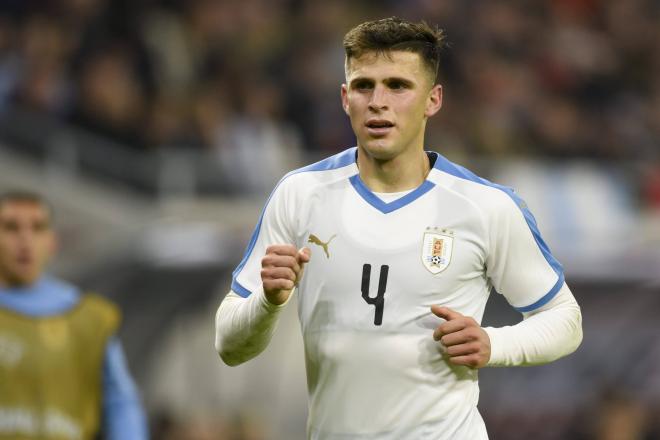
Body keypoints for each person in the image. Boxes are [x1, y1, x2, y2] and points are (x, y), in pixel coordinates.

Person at [214, 17, 583, 439]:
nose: (378, 102)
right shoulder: (300, 195)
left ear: (433, 99)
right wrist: (268, 300)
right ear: (344, 97)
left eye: (398, 86)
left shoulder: (485, 207)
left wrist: (495, 345)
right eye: (364, 86)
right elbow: (229, 345)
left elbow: (564, 319)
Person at [0, 191, 148, 440]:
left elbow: (121, 402)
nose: (25, 241)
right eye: (11, 228)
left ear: (52, 241)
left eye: (37, 228)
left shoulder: (85, 316)